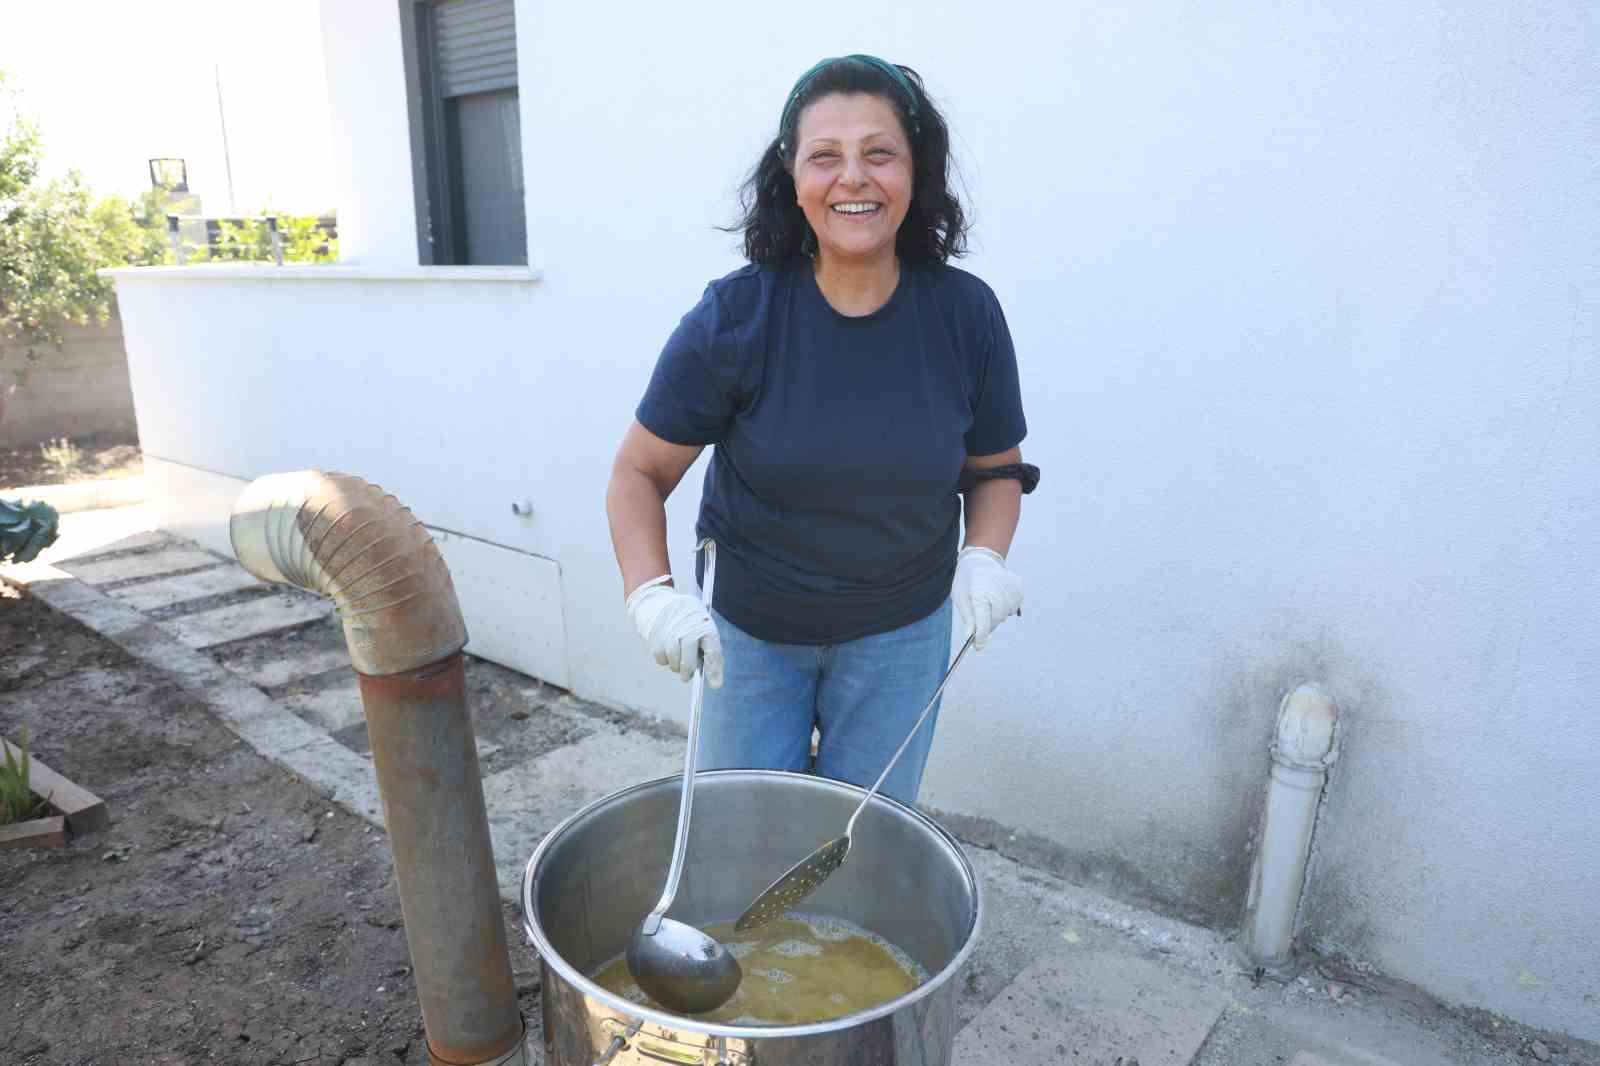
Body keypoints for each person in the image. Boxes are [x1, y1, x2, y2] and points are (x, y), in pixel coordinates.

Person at [605, 54, 1036, 806]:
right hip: (750, 637)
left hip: (903, 639)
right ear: (793, 180)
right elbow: (638, 473)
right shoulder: (736, 318)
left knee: (860, 842)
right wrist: (650, 594)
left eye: (879, 154)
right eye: (825, 157)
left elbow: (996, 468)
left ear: (916, 171)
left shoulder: (966, 316)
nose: (853, 179)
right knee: (742, 834)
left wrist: (985, 557)